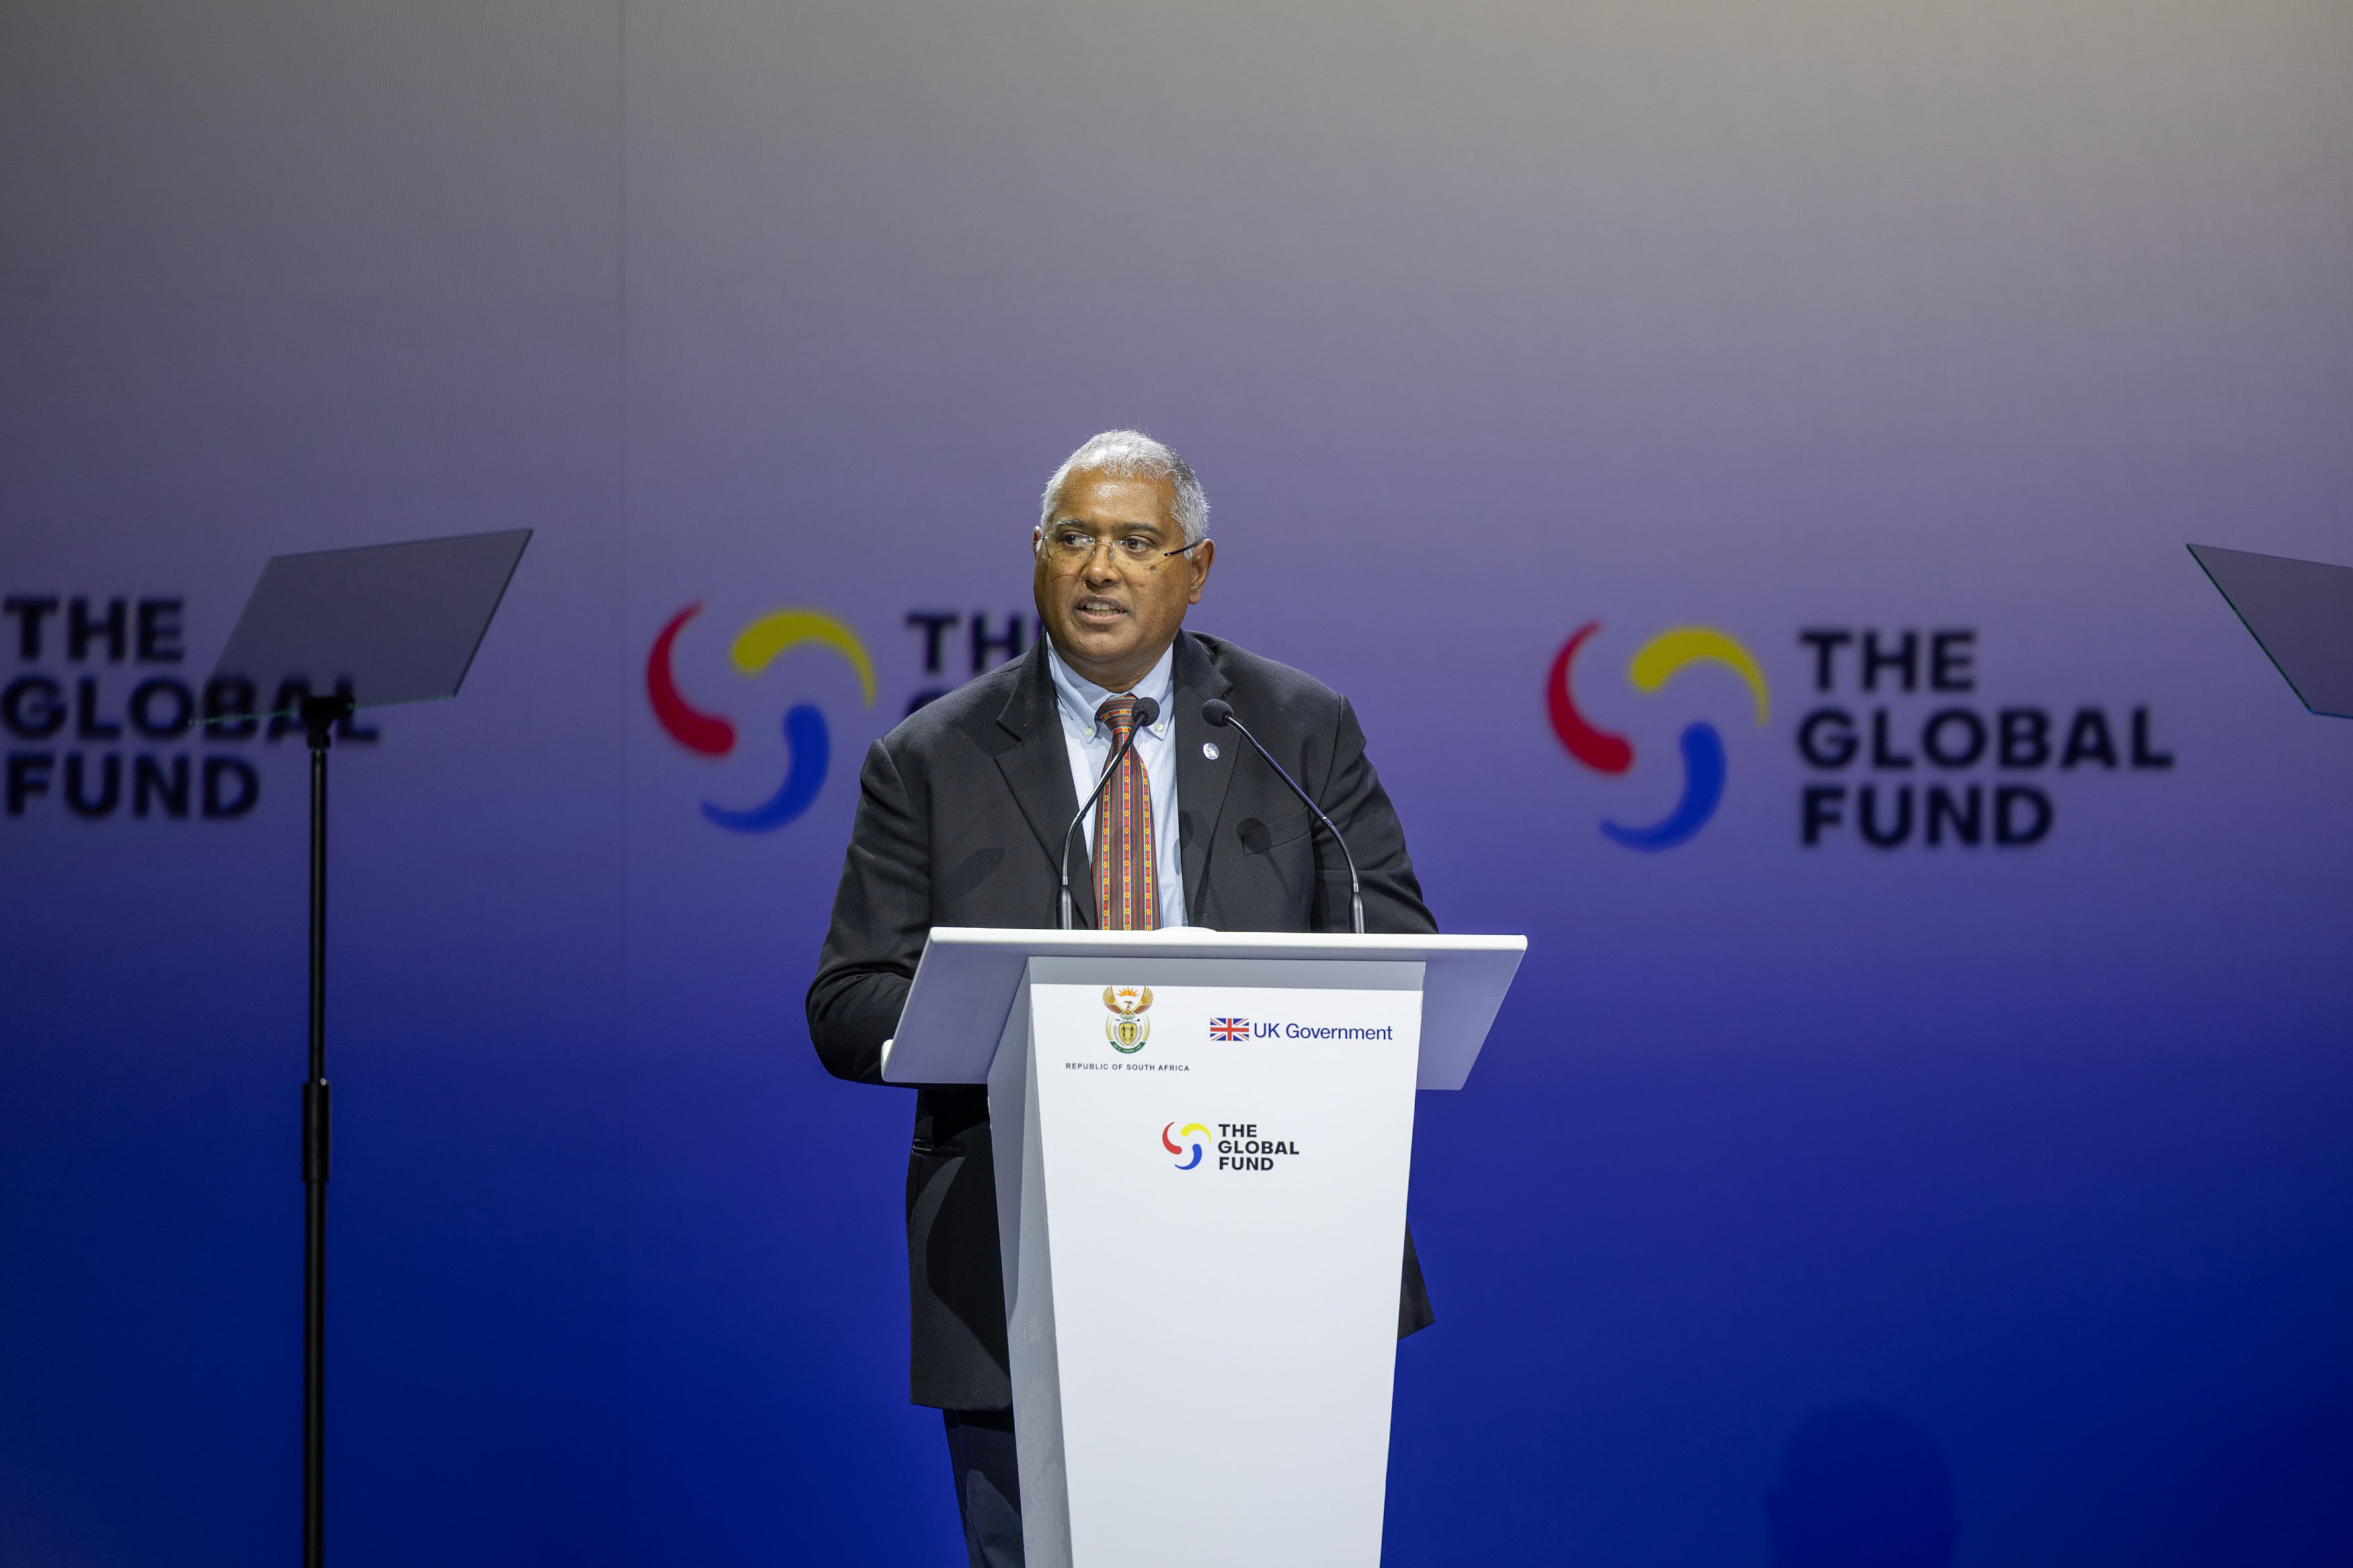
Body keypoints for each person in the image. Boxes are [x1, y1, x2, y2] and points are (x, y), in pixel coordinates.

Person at [807, 429, 1437, 1568]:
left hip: (1271, 1242)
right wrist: (1016, 1017)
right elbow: (849, 1001)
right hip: (1021, 1257)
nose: (1101, 566)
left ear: (1196, 569)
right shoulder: (931, 757)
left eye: (1137, 542)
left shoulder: (1296, 727)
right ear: (1036, 557)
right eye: (1074, 538)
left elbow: (1392, 948)